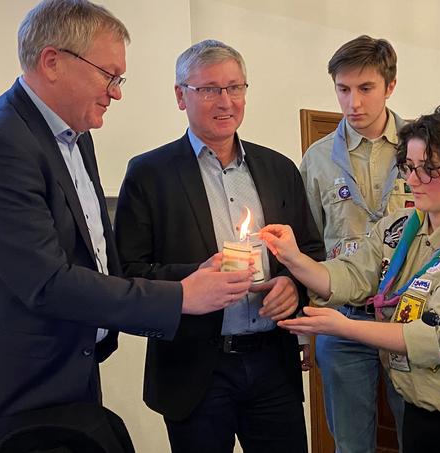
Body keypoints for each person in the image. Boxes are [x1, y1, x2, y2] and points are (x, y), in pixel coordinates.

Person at [0, 0, 253, 444]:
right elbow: (47, 282)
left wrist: (195, 277)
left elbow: (94, 259)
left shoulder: (76, 138)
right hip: (14, 389)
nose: (116, 92)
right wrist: (181, 296)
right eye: (109, 75)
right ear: (52, 62)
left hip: (73, 368)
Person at [261, 104, 440, 452]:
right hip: (422, 410)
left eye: (429, 169)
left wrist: (343, 327)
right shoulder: (401, 226)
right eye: (409, 167)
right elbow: (353, 275)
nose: (413, 179)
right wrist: (294, 258)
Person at [113, 39, 325, 453]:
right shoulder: (149, 174)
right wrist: (196, 281)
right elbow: (130, 272)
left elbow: (312, 251)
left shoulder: (279, 169)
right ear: (180, 96)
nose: (225, 101)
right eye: (209, 89)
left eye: (235, 87)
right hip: (194, 368)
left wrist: (293, 287)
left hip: (271, 363)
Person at [299, 35, 411, 452]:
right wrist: (305, 331)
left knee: (418, 436)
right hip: (341, 317)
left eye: (366, 89)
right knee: (349, 443)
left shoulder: (421, 148)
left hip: (410, 317)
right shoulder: (317, 157)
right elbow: (309, 244)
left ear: (390, 86)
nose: (353, 103)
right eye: (343, 90)